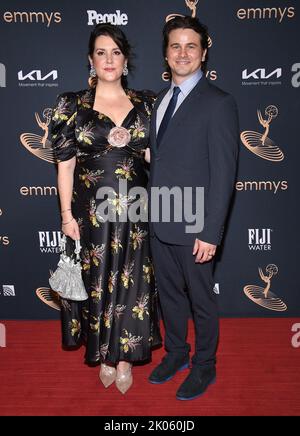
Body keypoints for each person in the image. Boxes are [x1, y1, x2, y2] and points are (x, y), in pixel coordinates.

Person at [50, 23, 161, 394]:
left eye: (115, 52)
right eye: (101, 52)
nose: (109, 59)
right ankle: (105, 353)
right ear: (90, 60)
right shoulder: (72, 104)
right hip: (91, 215)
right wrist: (66, 215)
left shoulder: (147, 104)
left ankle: (126, 356)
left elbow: (156, 158)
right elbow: (64, 164)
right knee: (98, 282)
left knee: (133, 284)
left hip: (136, 213)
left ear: (125, 60)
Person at [148, 16, 239, 400]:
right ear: (166, 54)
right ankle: (176, 353)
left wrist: (210, 230)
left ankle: (205, 365)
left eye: (191, 46)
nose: (182, 53)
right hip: (159, 221)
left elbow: (224, 173)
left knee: (201, 300)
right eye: (175, 46)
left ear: (203, 52)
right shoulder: (160, 100)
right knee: (168, 296)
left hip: (195, 225)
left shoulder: (218, 103)